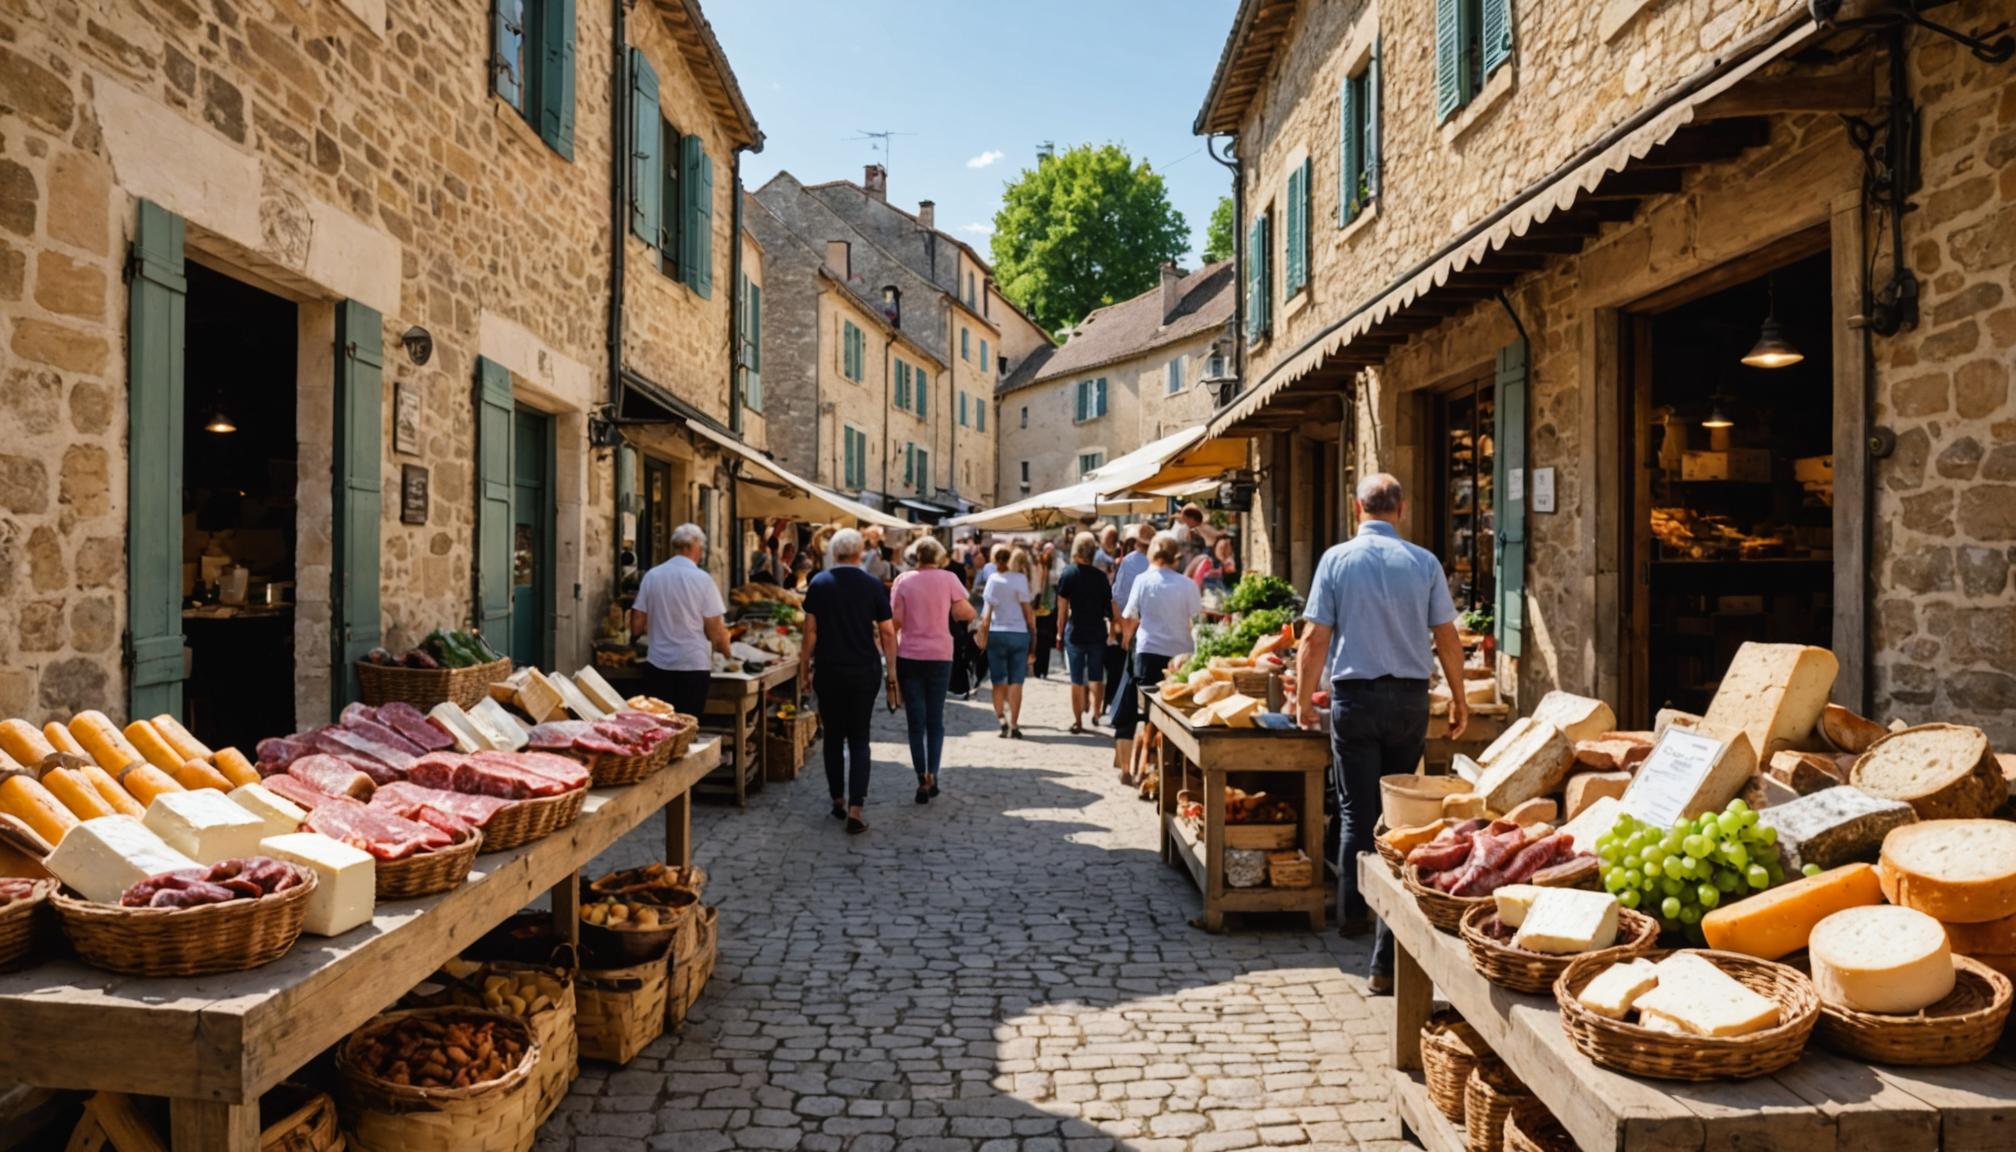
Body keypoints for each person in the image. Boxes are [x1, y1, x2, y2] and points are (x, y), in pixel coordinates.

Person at [1296, 474, 1470, 994]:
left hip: (1356, 698)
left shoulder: (1336, 559)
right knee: (1399, 816)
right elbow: (1447, 638)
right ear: (1403, 508)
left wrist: (1304, 701)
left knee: (1356, 811)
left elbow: (1313, 638)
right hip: (1411, 699)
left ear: (1357, 508)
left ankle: (1354, 912)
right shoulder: (1423, 562)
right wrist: (1459, 698)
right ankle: (1383, 920)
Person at [801, 528, 897, 835]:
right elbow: (887, 632)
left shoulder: (819, 583)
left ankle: (838, 799)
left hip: (828, 669)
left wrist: (805, 668)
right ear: (859, 552)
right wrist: (892, 671)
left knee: (832, 736)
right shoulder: (871, 585)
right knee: (859, 737)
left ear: (833, 552)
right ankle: (857, 807)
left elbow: (810, 632)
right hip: (863, 669)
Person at [890, 536, 975, 803]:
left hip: (910, 656)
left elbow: (895, 622)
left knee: (915, 722)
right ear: (938, 557)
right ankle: (932, 774)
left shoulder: (903, 580)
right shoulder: (949, 578)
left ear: (916, 556)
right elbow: (967, 613)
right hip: (940, 655)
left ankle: (920, 777)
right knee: (935, 721)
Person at [1114, 532, 1204, 777]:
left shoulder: (1143, 580)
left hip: (1149, 650)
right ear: (1176, 557)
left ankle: (1141, 766)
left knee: (1148, 710)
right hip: (1181, 654)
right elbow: (1197, 620)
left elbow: (1131, 616)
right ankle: (1169, 766)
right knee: (1178, 710)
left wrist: (1125, 638)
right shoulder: (1187, 584)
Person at [628, 523, 732, 719]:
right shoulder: (703, 580)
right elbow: (714, 630)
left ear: (674, 547)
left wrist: (639, 637)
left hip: (658, 666)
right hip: (692, 666)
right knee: (687, 724)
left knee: (659, 725)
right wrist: (727, 653)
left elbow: (637, 623)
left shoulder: (653, 576)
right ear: (697, 548)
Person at [1055, 532, 1115, 735]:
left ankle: (1078, 721)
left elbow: (1062, 608)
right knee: (1096, 676)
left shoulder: (1068, 573)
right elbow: (1109, 608)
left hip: (1076, 630)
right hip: (1097, 630)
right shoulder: (1100, 577)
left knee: (1077, 678)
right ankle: (1097, 714)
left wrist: (1059, 631)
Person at [1105, 522, 1154, 759]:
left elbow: (1119, 599)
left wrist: (1124, 629)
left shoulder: (1130, 562)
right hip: (1165, 639)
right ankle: (1147, 754)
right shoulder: (1171, 569)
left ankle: (1126, 761)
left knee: (1131, 693)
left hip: (1138, 635)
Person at [980, 546, 1036, 738]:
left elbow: (986, 613)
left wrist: (982, 634)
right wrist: (1033, 635)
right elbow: (1028, 612)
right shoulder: (1020, 579)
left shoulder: (993, 580)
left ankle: (1002, 720)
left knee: (997, 681)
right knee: (1016, 682)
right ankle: (1014, 724)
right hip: (1019, 633)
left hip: (997, 633)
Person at [1030, 541, 1059, 679]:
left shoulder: (1048, 571)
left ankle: (1040, 669)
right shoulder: (1046, 571)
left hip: (1043, 609)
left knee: (1041, 640)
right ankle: (1041, 670)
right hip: (1045, 609)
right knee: (1044, 641)